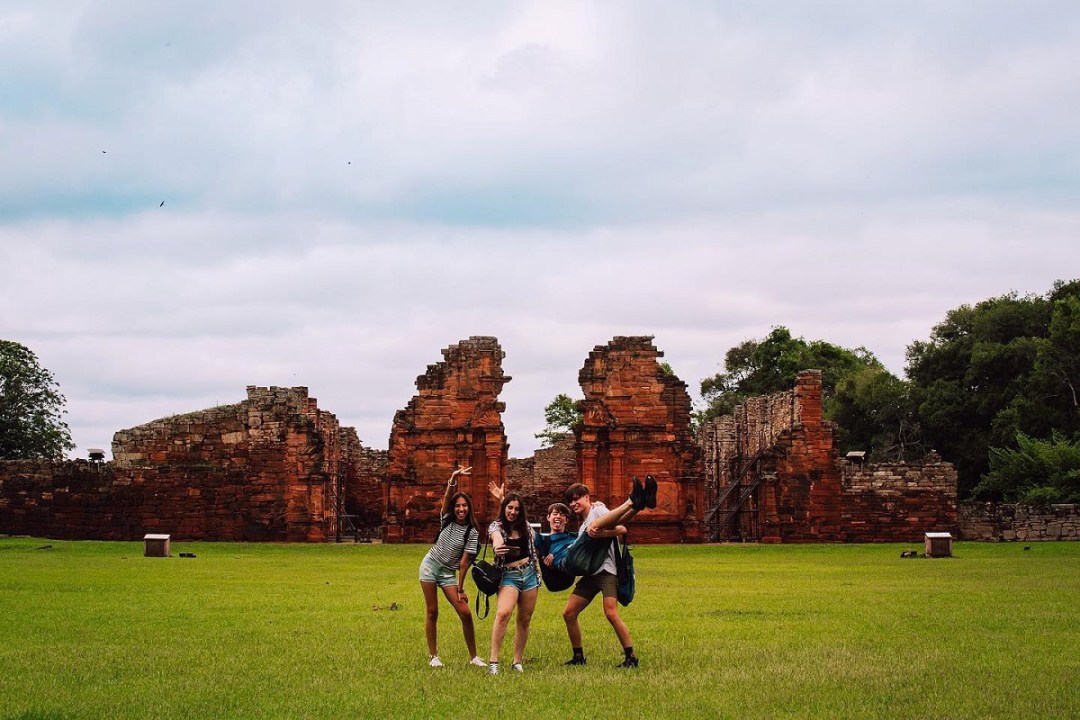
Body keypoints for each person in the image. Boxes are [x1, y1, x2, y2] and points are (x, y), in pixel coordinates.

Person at [561, 477, 656, 669]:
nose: (573, 503)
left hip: (607, 571)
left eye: (577, 499)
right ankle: (578, 656)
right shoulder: (582, 526)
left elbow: (621, 527)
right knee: (569, 613)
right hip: (591, 574)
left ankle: (631, 657)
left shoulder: (597, 510)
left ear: (587, 497)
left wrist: (601, 533)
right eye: (570, 501)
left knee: (611, 613)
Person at [418, 466, 487, 669]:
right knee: (432, 611)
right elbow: (447, 499)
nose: (461, 509)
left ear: (469, 508)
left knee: (465, 612)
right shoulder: (446, 519)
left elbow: (464, 562)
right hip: (430, 566)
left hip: (448, 572)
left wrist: (460, 588)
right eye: (457, 506)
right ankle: (433, 656)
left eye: (464, 506)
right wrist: (452, 479)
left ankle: (474, 657)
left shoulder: (472, 531)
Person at [486, 492, 542, 674]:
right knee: (503, 613)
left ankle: (517, 661)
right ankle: (493, 661)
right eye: (509, 508)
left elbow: (538, 542)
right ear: (504, 508)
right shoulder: (496, 526)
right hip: (508, 576)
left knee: (524, 619)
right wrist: (498, 547)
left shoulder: (525, 526)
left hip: (529, 574)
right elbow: (496, 537)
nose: (513, 512)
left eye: (517, 509)